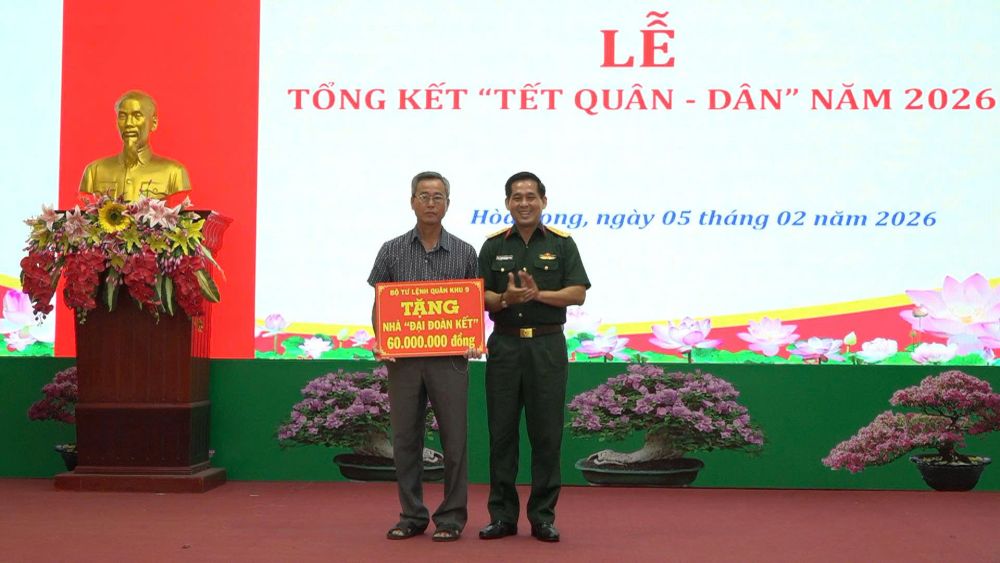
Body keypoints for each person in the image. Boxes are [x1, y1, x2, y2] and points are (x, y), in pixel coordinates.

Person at [478, 171, 590, 543]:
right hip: (505, 346)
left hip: (546, 346)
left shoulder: (562, 243)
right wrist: (505, 299)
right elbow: (478, 295)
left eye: (531, 196)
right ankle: (502, 517)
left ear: (543, 201)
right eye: (517, 197)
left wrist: (537, 295)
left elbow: (577, 293)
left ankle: (542, 517)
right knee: (502, 435)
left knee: (546, 435)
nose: (524, 203)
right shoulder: (492, 246)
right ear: (507, 203)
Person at [368, 171, 479, 543]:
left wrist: (472, 339)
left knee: (455, 441)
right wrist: (382, 339)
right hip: (403, 360)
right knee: (405, 440)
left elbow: (471, 306)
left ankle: (452, 517)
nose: (431, 203)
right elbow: (380, 303)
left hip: (450, 360)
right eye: (424, 196)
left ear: (448, 203)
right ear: (412, 201)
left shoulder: (465, 251)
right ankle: (412, 514)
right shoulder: (391, 250)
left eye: (438, 196)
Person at [79, 90, 191, 202]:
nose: (128, 123)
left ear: (154, 123)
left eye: (137, 116)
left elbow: (183, 211)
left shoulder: (174, 173)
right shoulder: (94, 172)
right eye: (122, 116)